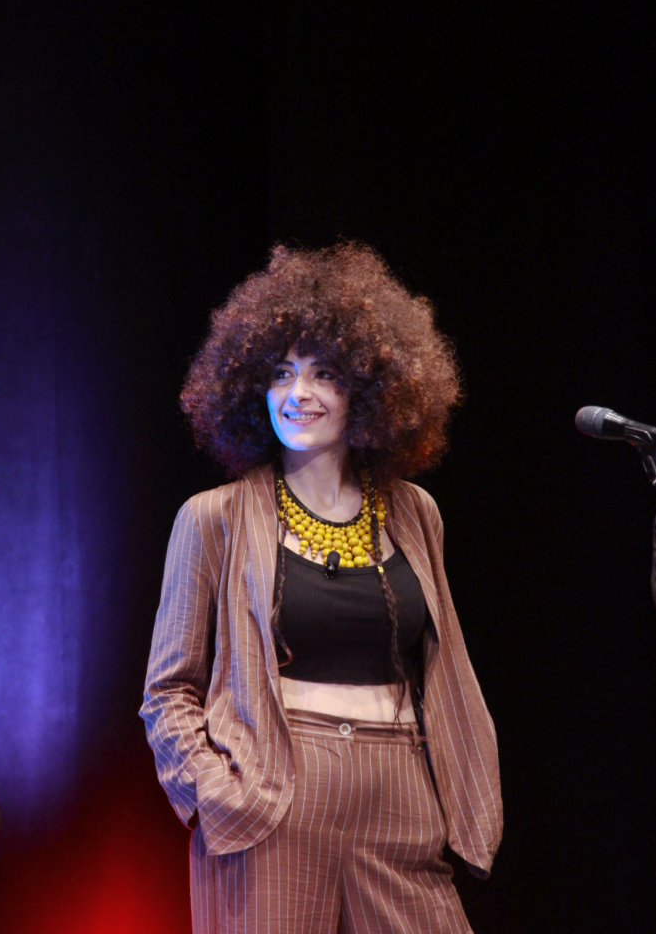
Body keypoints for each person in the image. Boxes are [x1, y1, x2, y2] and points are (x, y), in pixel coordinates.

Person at [140, 241, 502, 934]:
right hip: (271, 795)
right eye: (280, 373)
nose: (297, 394)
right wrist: (213, 792)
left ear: (369, 389)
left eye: (323, 374)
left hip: (399, 792)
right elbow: (168, 689)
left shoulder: (414, 513)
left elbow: (440, 666)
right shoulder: (213, 519)